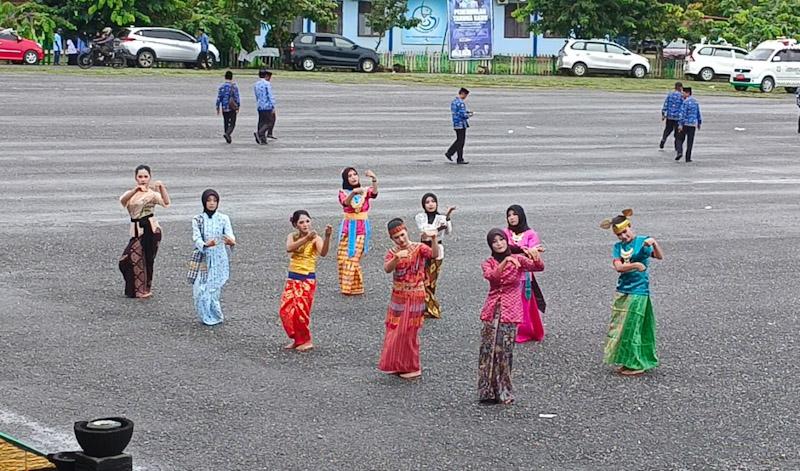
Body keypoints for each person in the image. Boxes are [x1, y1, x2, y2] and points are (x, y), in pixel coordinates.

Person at [478, 229, 544, 405]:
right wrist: (505, 261)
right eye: (494, 241)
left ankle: (504, 391)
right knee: (487, 350)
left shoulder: (518, 260)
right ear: (490, 245)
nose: (499, 244)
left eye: (501, 240)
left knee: (504, 351)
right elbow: (492, 276)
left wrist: (534, 254)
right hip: (492, 309)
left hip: (510, 311)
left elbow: (538, 267)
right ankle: (487, 391)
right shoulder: (488, 262)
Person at [600, 208, 663, 376]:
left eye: (625, 231)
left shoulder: (642, 242)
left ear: (630, 227)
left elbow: (658, 256)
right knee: (621, 326)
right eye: (619, 234)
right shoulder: (618, 247)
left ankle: (636, 363)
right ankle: (627, 360)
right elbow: (619, 267)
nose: (623, 236)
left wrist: (654, 243)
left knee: (633, 326)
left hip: (639, 290)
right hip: (623, 289)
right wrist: (635, 265)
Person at [379, 218, 439, 379]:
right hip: (398, 296)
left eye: (402, 235)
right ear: (392, 239)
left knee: (409, 332)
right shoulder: (393, 252)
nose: (401, 239)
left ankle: (413, 366)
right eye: (396, 237)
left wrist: (434, 239)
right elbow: (387, 269)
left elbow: (434, 254)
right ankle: (398, 363)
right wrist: (396, 258)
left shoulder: (419, 248)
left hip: (415, 295)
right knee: (395, 330)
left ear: (407, 232)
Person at [279, 210, 333, 351]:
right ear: (295, 225)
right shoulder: (292, 236)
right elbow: (289, 248)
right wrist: (306, 238)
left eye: (307, 221)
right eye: (301, 222)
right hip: (292, 278)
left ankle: (306, 340)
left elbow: (323, 253)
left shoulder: (316, 238)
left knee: (301, 312)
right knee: (285, 310)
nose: (305, 225)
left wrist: (327, 237)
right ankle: (297, 339)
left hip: (306, 279)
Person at [118, 165, 170, 299]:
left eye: (146, 176)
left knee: (146, 259)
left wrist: (161, 187)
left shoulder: (152, 194)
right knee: (126, 259)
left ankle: (144, 289)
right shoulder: (131, 193)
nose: (143, 179)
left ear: (150, 178)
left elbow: (166, 202)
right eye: (140, 176)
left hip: (150, 229)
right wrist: (135, 190)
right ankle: (135, 289)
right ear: (136, 178)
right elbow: (123, 201)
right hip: (136, 229)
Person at [192, 189, 236, 326]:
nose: (211, 203)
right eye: (209, 200)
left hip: (219, 257)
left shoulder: (223, 218)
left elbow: (230, 235)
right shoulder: (197, 220)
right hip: (204, 257)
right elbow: (196, 237)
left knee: (214, 288)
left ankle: (215, 315)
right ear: (204, 202)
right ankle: (205, 314)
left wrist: (230, 241)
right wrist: (205, 244)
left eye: (214, 201)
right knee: (201, 287)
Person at [504, 205, 546, 343]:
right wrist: (523, 250)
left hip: (524, 275)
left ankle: (524, 331)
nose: (512, 218)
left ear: (521, 216)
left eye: (514, 214)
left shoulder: (530, 234)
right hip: (508, 273)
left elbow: (533, 255)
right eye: (509, 215)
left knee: (524, 303)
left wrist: (520, 252)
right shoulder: (505, 233)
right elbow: (503, 250)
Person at [337, 167, 378, 295]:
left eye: (355, 174)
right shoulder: (343, 192)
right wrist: (353, 193)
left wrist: (374, 179)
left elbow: (374, 193)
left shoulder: (364, 191)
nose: (353, 177)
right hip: (347, 229)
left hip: (361, 230)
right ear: (345, 179)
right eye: (350, 176)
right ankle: (354, 286)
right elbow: (346, 203)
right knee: (343, 258)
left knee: (353, 258)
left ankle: (349, 287)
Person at [414, 193, 455, 318]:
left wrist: (448, 216)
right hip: (423, 249)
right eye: (427, 202)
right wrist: (438, 228)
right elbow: (425, 231)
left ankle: (429, 307)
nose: (430, 204)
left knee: (432, 280)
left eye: (433, 201)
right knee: (422, 278)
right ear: (423, 205)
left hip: (437, 249)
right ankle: (427, 306)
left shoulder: (442, 218)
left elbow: (448, 231)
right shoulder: (420, 217)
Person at [445, 87, 472, 164]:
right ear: (463, 94)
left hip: (456, 123)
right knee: (461, 142)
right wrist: (469, 115)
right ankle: (458, 158)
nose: (465, 97)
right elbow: (462, 114)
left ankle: (451, 153)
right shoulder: (461, 103)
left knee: (459, 140)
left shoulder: (454, 102)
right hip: (461, 124)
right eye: (465, 95)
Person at [676, 87, 701, 163]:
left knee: (679, 139)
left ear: (688, 93)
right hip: (692, 124)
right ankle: (688, 158)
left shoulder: (685, 102)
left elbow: (683, 114)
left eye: (683, 93)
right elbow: (698, 113)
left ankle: (679, 152)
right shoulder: (695, 102)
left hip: (685, 124)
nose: (682, 95)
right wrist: (699, 122)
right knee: (690, 142)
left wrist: (680, 124)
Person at [216, 70, 240, 144]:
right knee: (232, 123)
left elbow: (219, 98)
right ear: (232, 77)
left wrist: (217, 107)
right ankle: (228, 134)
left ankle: (227, 135)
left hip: (224, 107)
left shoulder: (221, 87)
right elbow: (237, 97)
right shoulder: (234, 86)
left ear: (225, 77)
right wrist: (238, 106)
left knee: (226, 122)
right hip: (232, 107)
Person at [253, 69, 275, 145]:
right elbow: (270, 95)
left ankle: (262, 139)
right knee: (269, 122)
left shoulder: (256, 84)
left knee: (261, 122)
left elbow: (256, 95)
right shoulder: (267, 84)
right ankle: (260, 133)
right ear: (265, 75)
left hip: (260, 105)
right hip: (267, 106)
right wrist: (273, 105)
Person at [660, 81, 683, 151]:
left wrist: (663, 114)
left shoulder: (670, 95)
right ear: (680, 87)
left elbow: (666, 104)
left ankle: (664, 138)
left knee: (667, 129)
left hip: (669, 116)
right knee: (677, 132)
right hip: (677, 117)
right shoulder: (682, 96)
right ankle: (676, 146)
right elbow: (683, 107)